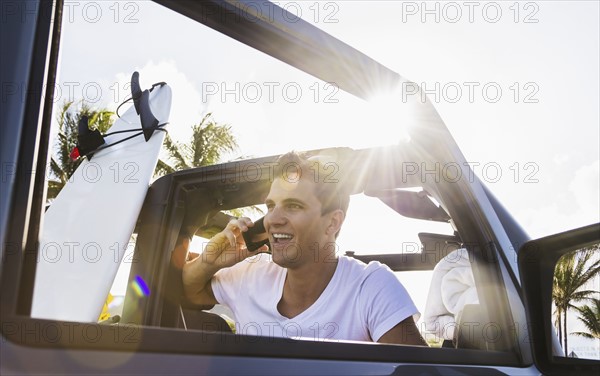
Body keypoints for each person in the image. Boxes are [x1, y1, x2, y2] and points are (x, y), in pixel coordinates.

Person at [181, 151, 426, 345]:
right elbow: (190, 291)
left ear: (332, 222)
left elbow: (420, 371)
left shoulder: (370, 286)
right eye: (270, 206)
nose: (272, 220)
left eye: (293, 206)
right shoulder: (250, 275)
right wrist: (210, 261)